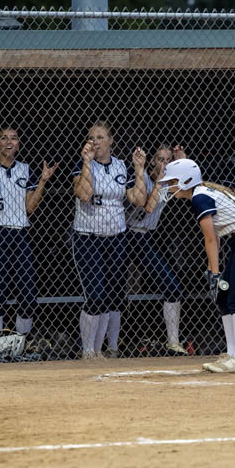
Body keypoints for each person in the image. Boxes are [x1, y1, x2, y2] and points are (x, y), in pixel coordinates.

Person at [155, 158, 235, 373]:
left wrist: (215, 273)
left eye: (172, 181)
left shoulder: (200, 197)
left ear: (186, 180)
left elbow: (209, 239)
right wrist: (211, 269)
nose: (168, 186)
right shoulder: (200, 193)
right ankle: (232, 353)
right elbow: (215, 237)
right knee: (223, 297)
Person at [0, 126, 55, 342]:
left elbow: (30, 208)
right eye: (4, 138)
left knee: (27, 294)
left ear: (19, 144)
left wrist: (43, 181)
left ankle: (20, 344)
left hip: (19, 234)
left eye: (14, 138)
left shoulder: (25, 169)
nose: (9, 142)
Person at [71, 121, 147, 359]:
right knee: (95, 295)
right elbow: (84, 195)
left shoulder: (121, 166)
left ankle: (98, 350)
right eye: (92, 137)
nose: (95, 142)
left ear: (111, 141)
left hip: (116, 238)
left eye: (100, 137)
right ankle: (87, 351)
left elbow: (138, 200)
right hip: (88, 237)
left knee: (111, 296)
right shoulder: (82, 163)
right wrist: (86, 162)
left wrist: (139, 169)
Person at [125, 144, 185, 355]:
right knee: (117, 290)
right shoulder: (141, 176)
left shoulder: (168, 183)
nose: (164, 165)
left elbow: (190, 186)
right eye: (161, 160)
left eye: (168, 161)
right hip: (126, 234)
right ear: (152, 161)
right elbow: (148, 206)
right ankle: (113, 344)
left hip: (145, 237)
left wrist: (182, 161)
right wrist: (160, 180)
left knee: (172, 286)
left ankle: (173, 342)